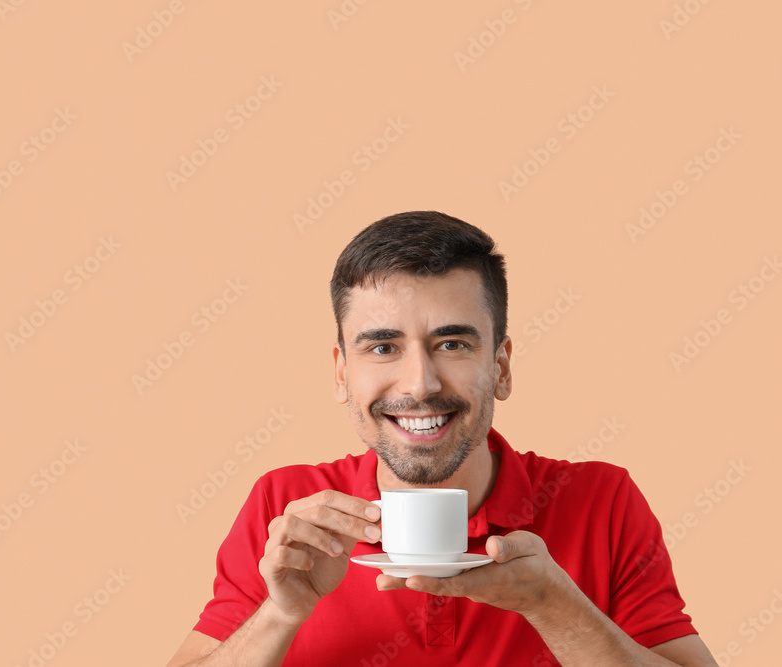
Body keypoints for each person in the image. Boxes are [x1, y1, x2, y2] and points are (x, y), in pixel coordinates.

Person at [167, 211, 716, 666]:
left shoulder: (602, 500)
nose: (420, 384)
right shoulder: (286, 507)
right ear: (341, 374)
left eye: (452, 344)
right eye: (382, 348)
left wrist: (553, 605)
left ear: (500, 367)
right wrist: (281, 615)